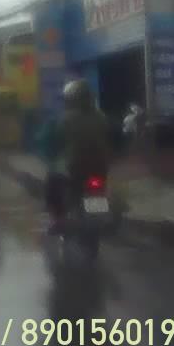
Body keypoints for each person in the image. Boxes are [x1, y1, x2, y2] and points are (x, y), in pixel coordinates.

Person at [35, 80, 112, 233]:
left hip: (75, 168)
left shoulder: (65, 119)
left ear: (71, 99)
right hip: (100, 168)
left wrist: (49, 154)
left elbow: (53, 141)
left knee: (51, 183)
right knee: (98, 190)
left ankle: (57, 220)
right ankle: (99, 215)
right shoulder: (102, 117)